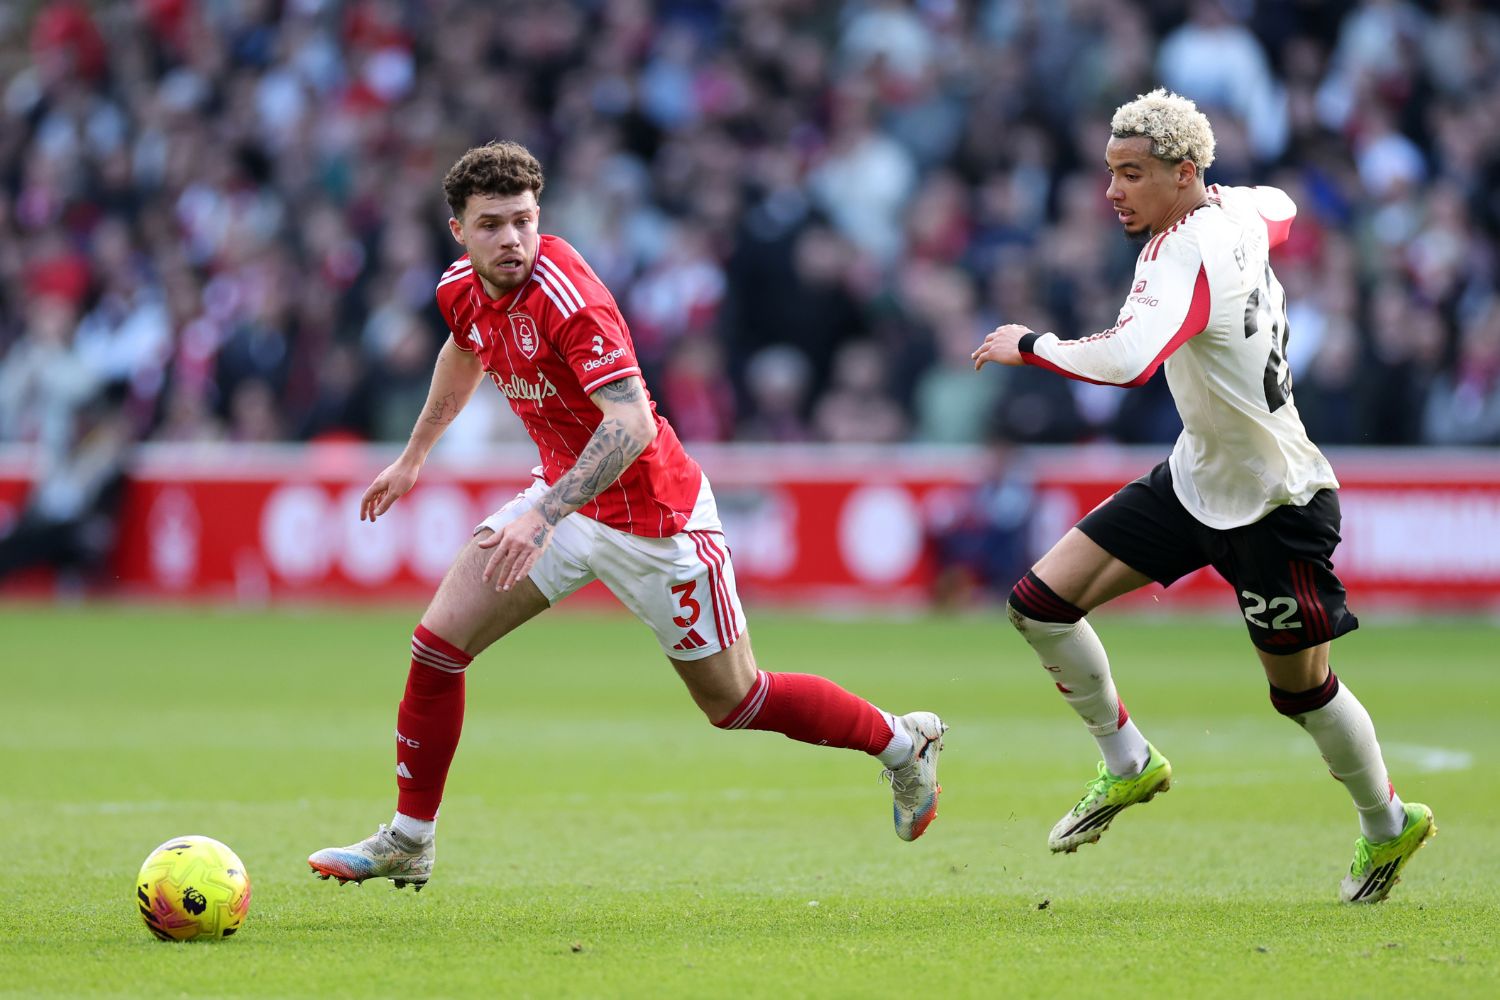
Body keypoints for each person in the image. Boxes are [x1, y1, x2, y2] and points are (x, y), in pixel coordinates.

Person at [308, 142, 947, 890]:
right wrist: (415, 455)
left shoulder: (567, 296)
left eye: (523, 220)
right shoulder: (459, 289)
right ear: (459, 232)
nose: (512, 238)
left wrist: (542, 513)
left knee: (737, 701)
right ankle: (411, 838)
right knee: (437, 647)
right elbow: (464, 349)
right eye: (492, 225)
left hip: (657, 522)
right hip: (566, 501)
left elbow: (633, 424)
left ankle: (903, 745)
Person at [971, 90, 1434, 904]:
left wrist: (1029, 345)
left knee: (1303, 694)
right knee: (1039, 602)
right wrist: (1242, 202)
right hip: (1196, 479)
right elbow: (1281, 205)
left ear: (1185, 175)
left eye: (1134, 175)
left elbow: (1127, 361)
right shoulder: (1237, 212)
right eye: (1111, 173)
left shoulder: (1177, 253)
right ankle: (1128, 764)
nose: (1114, 191)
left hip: (1276, 503)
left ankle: (1387, 823)